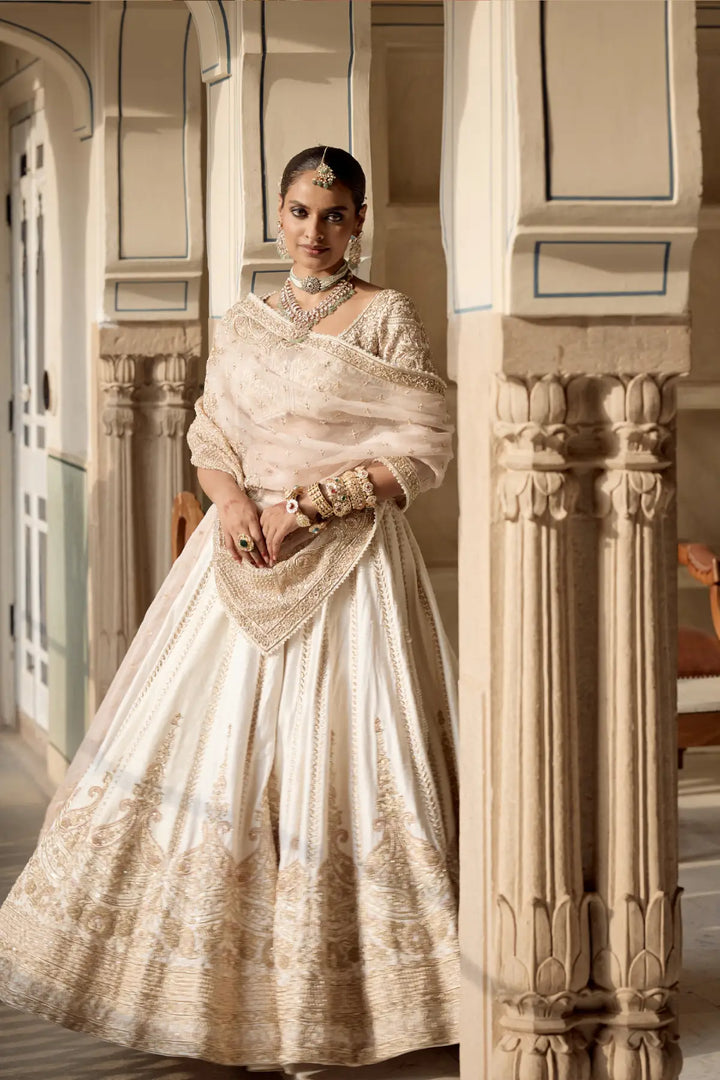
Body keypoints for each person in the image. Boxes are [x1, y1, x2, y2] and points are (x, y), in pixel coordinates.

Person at [0, 145, 459, 1075]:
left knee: (344, 760)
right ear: (276, 216)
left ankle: (350, 999)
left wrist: (306, 509)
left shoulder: (387, 319)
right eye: (298, 212)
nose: (314, 232)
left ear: (359, 221)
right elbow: (211, 436)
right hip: (238, 556)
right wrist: (237, 505)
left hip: (352, 566)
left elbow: (417, 450)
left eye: (333, 215)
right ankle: (209, 994)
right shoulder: (244, 321)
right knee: (213, 759)